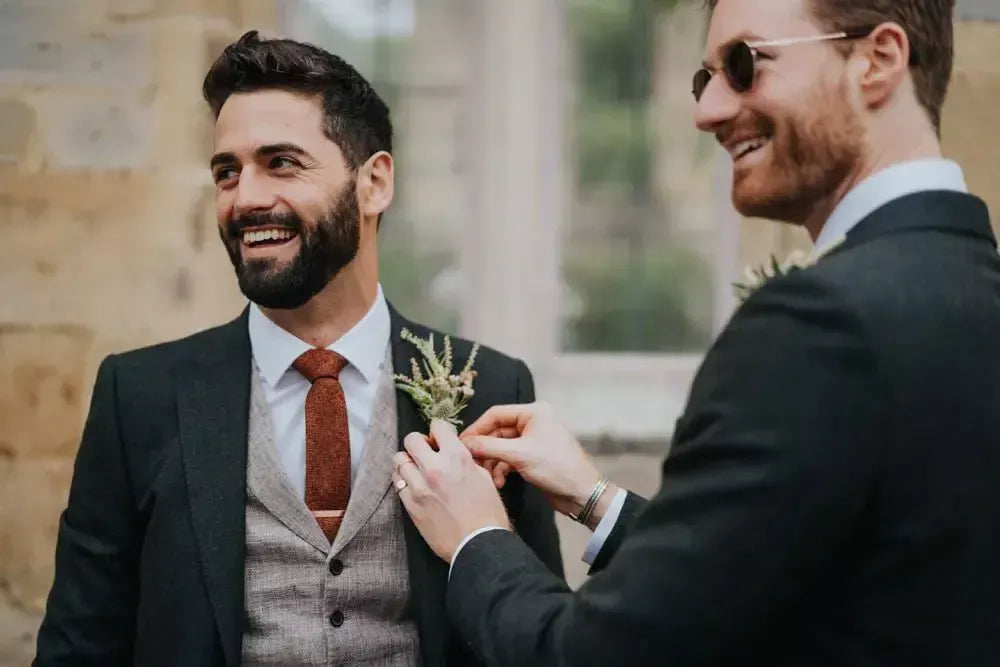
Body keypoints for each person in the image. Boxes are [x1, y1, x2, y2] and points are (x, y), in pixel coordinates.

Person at [390, 0, 1000, 665]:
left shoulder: (818, 324)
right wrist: (597, 499)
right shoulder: (968, 286)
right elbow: (800, 594)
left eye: (744, 65)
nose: (707, 111)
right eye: (702, 79)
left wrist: (476, 535)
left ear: (877, 60)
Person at [33, 30, 562, 667]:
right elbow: (80, 647)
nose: (246, 198)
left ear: (375, 183)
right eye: (227, 172)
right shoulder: (138, 397)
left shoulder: (491, 388)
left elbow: (539, 644)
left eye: (281, 163)